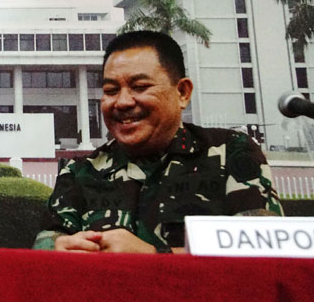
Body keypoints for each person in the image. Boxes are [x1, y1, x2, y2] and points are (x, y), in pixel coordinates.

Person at [33, 30, 282, 254]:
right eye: (110, 91)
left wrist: (155, 256)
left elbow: (265, 249)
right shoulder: (78, 172)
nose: (122, 102)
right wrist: (57, 248)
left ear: (182, 92)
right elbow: (45, 242)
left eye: (140, 87)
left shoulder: (230, 152)